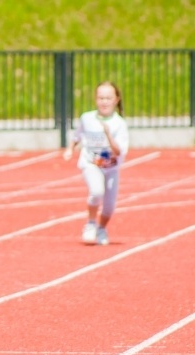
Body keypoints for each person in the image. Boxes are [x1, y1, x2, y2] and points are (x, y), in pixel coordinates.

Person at [63, 81, 129, 245]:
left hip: (111, 168)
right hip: (90, 163)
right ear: (95, 99)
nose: (104, 102)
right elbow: (77, 136)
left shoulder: (119, 124)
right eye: (101, 98)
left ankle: (101, 229)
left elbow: (119, 151)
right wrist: (70, 149)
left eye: (108, 98)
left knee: (109, 206)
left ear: (116, 100)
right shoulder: (87, 118)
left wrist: (108, 135)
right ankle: (91, 224)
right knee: (96, 191)